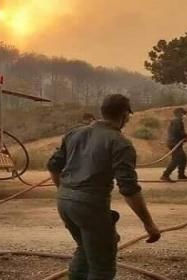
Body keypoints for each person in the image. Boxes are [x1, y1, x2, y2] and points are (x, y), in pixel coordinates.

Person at [47, 94, 161, 279]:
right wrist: (149, 224)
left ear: (102, 111)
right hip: (90, 207)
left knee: (85, 249)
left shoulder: (75, 133)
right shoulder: (120, 143)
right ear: (125, 115)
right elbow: (129, 189)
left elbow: (53, 166)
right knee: (102, 267)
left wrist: (65, 192)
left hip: (64, 202)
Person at [160, 108, 187, 182]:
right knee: (176, 159)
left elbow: (178, 132)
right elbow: (177, 132)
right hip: (174, 143)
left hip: (176, 143)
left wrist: (185, 137)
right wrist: (186, 136)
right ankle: (165, 175)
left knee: (183, 158)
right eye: (184, 113)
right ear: (180, 113)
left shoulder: (177, 121)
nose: (185, 115)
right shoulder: (177, 120)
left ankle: (181, 175)